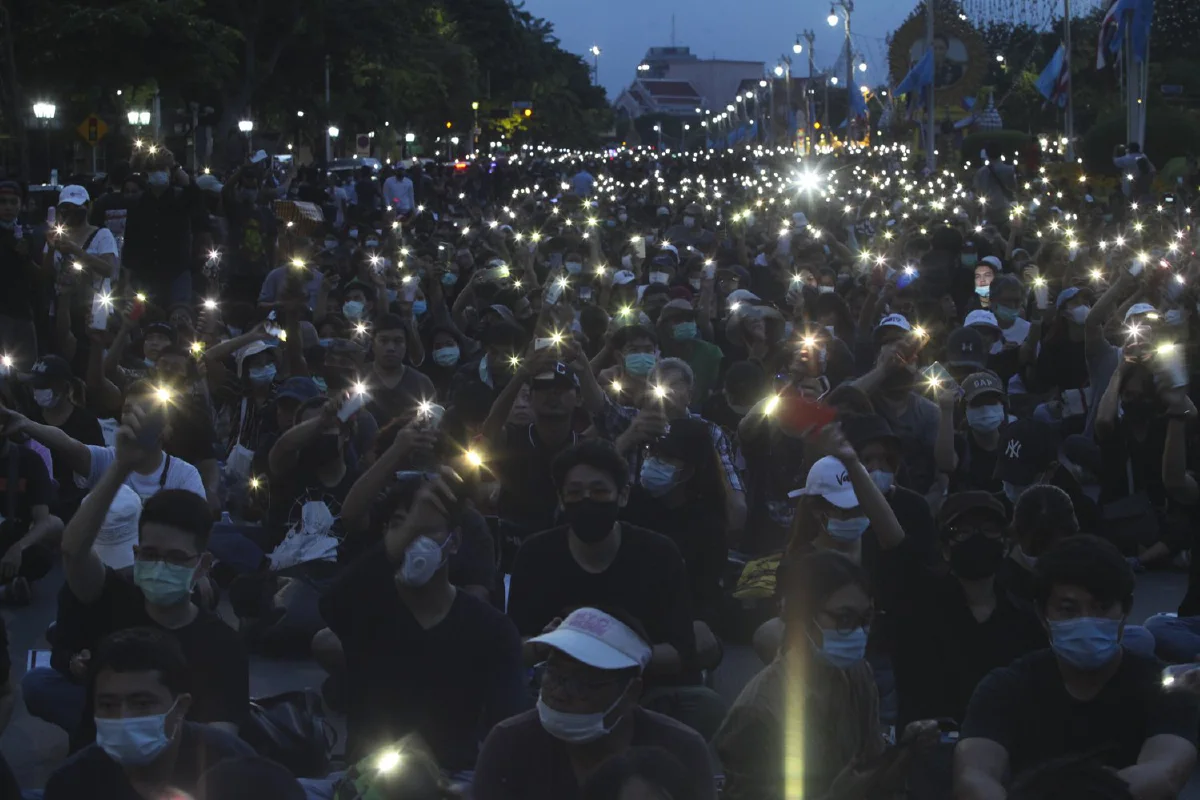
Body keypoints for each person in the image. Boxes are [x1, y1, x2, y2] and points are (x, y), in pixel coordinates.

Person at [23, 417, 247, 745]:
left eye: (175, 558)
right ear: (136, 553)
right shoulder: (111, 599)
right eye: (151, 554)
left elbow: (220, 742)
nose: (160, 566)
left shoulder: (224, 646)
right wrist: (121, 467)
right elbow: (72, 551)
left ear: (202, 566)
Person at [507, 440, 727, 738]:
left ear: (622, 496)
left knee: (704, 707)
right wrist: (545, 645)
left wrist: (614, 654)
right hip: (560, 692)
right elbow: (515, 646)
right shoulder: (535, 554)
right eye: (574, 493)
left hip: (641, 694)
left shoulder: (659, 553)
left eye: (599, 492)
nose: (587, 501)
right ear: (561, 499)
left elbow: (679, 652)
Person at [955, 535, 1199, 799]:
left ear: (1125, 610)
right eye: (1068, 610)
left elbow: (1166, 772)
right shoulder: (1006, 686)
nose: (1086, 621)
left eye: (1101, 607)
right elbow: (974, 775)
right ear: (1042, 614)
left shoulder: (1164, 689)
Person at [318, 468, 526, 772]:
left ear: (453, 543)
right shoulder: (367, 609)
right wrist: (413, 521)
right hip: (366, 781)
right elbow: (331, 604)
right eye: (402, 528)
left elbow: (507, 726)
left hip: (452, 779)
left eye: (428, 531)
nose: (414, 540)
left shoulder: (491, 628)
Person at [474, 606, 717, 800]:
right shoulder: (508, 744)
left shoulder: (682, 750)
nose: (559, 692)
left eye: (584, 683)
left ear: (631, 691)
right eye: (553, 674)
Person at [42, 627, 254, 800]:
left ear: (181, 706)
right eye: (108, 705)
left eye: (142, 704)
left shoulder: (236, 768)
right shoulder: (70, 785)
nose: (123, 717)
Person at [5, 379, 207, 501]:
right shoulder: (107, 459)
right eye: (128, 410)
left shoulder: (184, 475)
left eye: (145, 411)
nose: (133, 416)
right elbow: (66, 443)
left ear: (166, 430)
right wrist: (24, 423)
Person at [122, 148, 210, 305]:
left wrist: (174, 166)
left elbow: (196, 194)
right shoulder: (136, 203)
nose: (158, 173)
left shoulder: (180, 198)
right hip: (145, 275)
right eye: (153, 170)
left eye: (162, 169)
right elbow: (130, 244)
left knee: (180, 315)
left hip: (177, 273)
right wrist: (127, 282)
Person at [0, 420, 62, 605]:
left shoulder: (28, 460)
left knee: (40, 558)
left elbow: (42, 519)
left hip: (13, 535)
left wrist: (18, 548)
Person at [365, 313, 436, 426]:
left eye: (398, 341)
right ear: (373, 344)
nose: (391, 348)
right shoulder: (357, 377)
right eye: (383, 341)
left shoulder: (422, 384)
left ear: (406, 345)